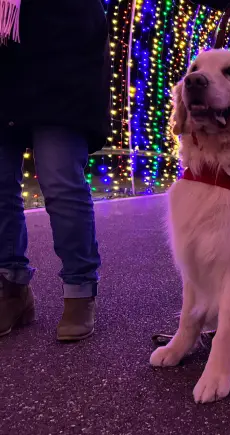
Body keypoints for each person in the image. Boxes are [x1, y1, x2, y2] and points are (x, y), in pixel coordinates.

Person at [0, 0, 111, 341]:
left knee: (61, 183)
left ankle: (79, 289)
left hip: (64, 65)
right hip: (5, 71)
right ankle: (11, 288)